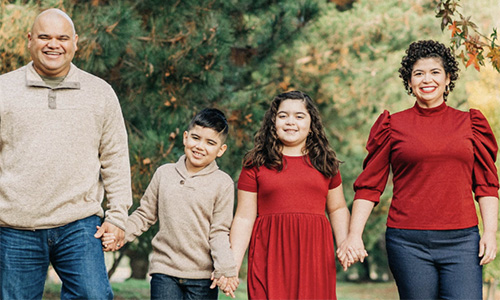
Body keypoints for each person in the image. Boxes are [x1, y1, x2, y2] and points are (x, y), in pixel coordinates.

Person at [337, 40, 499, 299]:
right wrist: (354, 234)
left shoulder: (470, 124)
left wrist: (490, 232)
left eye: (435, 72)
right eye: (418, 73)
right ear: (409, 82)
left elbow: (487, 185)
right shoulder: (392, 126)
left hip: (462, 241)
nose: (427, 79)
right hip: (407, 242)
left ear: (448, 79)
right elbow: (369, 186)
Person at [0, 8, 132, 300]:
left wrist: (118, 216)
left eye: (62, 38)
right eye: (44, 36)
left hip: (80, 223)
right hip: (15, 226)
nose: (53, 44)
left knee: (95, 296)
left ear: (75, 42)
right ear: (29, 40)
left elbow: (115, 159)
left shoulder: (100, 93)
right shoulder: (3, 90)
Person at [229, 90, 350, 299]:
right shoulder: (255, 163)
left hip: (314, 254)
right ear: (272, 123)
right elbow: (243, 217)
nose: (290, 122)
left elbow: (337, 208)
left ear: (311, 125)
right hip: (269, 253)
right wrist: (231, 266)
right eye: (283, 115)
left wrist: (345, 244)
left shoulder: (325, 162)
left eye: (299, 116)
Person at [109, 108, 239, 299]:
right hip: (165, 271)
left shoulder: (223, 183)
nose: (200, 146)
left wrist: (226, 269)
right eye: (196, 138)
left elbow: (219, 231)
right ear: (185, 137)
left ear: (221, 150)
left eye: (210, 142)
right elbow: (145, 214)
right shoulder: (164, 173)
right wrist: (119, 234)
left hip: (202, 277)